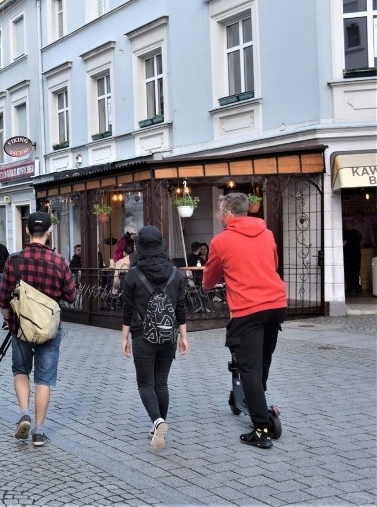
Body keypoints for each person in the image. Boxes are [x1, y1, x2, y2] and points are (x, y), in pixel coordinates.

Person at [203, 192, 287, 449]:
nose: (219, 215)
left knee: (248, 368)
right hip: (276, 304)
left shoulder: (221, 241)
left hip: (248, 309)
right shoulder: (267, 233)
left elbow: (208, 280)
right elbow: (273, 263)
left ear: (227, 214)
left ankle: (261, 429)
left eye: (220, 211)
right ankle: (255, 402)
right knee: (262, 361)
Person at [0, 212, 77, 447]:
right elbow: (72, 296)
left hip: (21, 327)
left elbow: (3, 299)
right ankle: (39, 432)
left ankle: (24, 413)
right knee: (44, 379)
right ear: (49, 233)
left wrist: (9, 321)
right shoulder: (59, 261)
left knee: (20, 371)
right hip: (50, 330)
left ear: (27, 231)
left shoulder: (14, 260)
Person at [120, 226, 189, 451]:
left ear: (139, 248)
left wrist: (125, 337)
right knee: (161, 382)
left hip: (143, 336)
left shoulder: (133, 274)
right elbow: (181, 308)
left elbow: (127, 309)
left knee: (145, 383)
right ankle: (158, 424)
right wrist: (183, 336)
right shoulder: (175, 273)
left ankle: (157, 421)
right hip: (169, 334)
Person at [342, 228, 362, 294]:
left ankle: (350, 287)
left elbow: (343, 244)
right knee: (356, 271)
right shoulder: (358, 234)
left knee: (349, 271)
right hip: (357, 255)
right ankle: (358, 287)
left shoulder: (346, 234)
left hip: (349, 255)